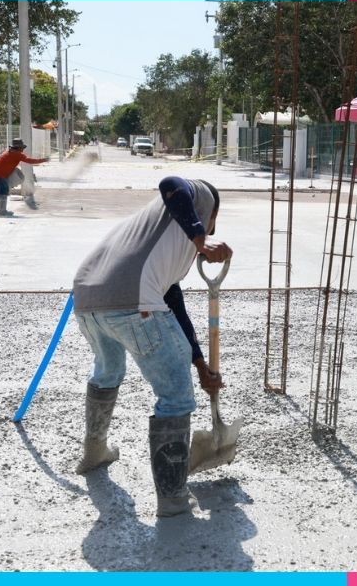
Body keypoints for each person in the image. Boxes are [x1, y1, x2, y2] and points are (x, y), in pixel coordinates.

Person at [72, 176, 233, 518]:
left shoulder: (153, 235)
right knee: (175, 395)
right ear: (212, 213)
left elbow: (172, 301)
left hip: (88, 300)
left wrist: (200, 363)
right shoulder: (199, 198)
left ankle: (94, 452)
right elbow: (172, 182)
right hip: (132, 302)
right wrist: (201, 239)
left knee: (107, 372)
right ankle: (172, 498)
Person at [0, 138, 48, 217]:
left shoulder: (10, 152)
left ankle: (1, 211)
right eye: (22, 147)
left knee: (0, 192)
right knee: (3, 191)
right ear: (18, 147)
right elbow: (29, 160)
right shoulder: (17, 154)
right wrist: (44, 160)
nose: (22, 149)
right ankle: (2, 211)